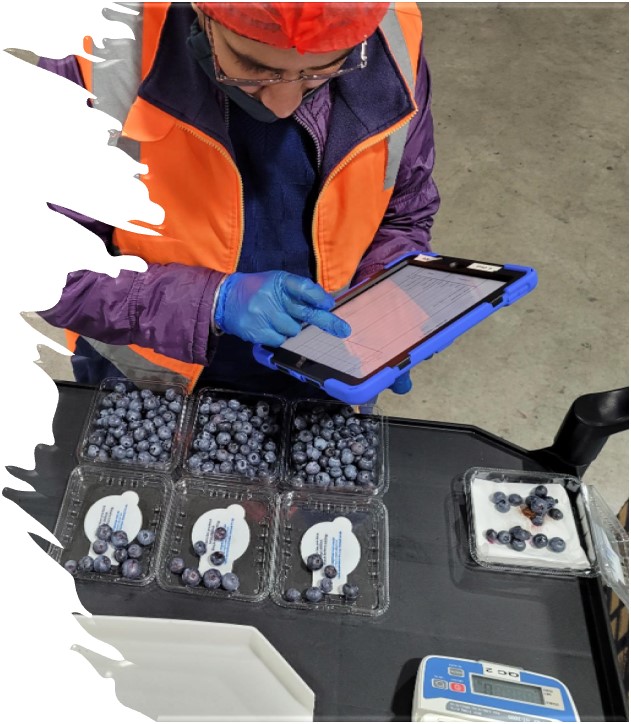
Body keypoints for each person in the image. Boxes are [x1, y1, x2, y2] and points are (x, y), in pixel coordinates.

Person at [38, 2, 440, 399]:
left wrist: (385, 292)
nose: (282, 104)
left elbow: (405, 210)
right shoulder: (93, 52)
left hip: (326, 370)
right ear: (201, 12)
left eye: (320, 71)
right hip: (149, 378)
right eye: (254, 69)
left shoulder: (388, 32)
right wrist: (208, 302)